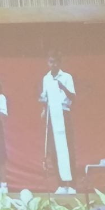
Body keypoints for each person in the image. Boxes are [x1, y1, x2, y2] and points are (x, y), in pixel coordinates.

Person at [39, 51, 76, 194]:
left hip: (63, 112)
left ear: (59, 63)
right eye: (50, 62)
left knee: (67, 148)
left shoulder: (67, 77)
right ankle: (61, 184)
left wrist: (62, 87)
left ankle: (71, 184)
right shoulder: (46, 78)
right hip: (52, 115)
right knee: (54, 151)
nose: (52, 65)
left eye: (55, 62)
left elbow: (73, 97)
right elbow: (45, 97)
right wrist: (43, 106)